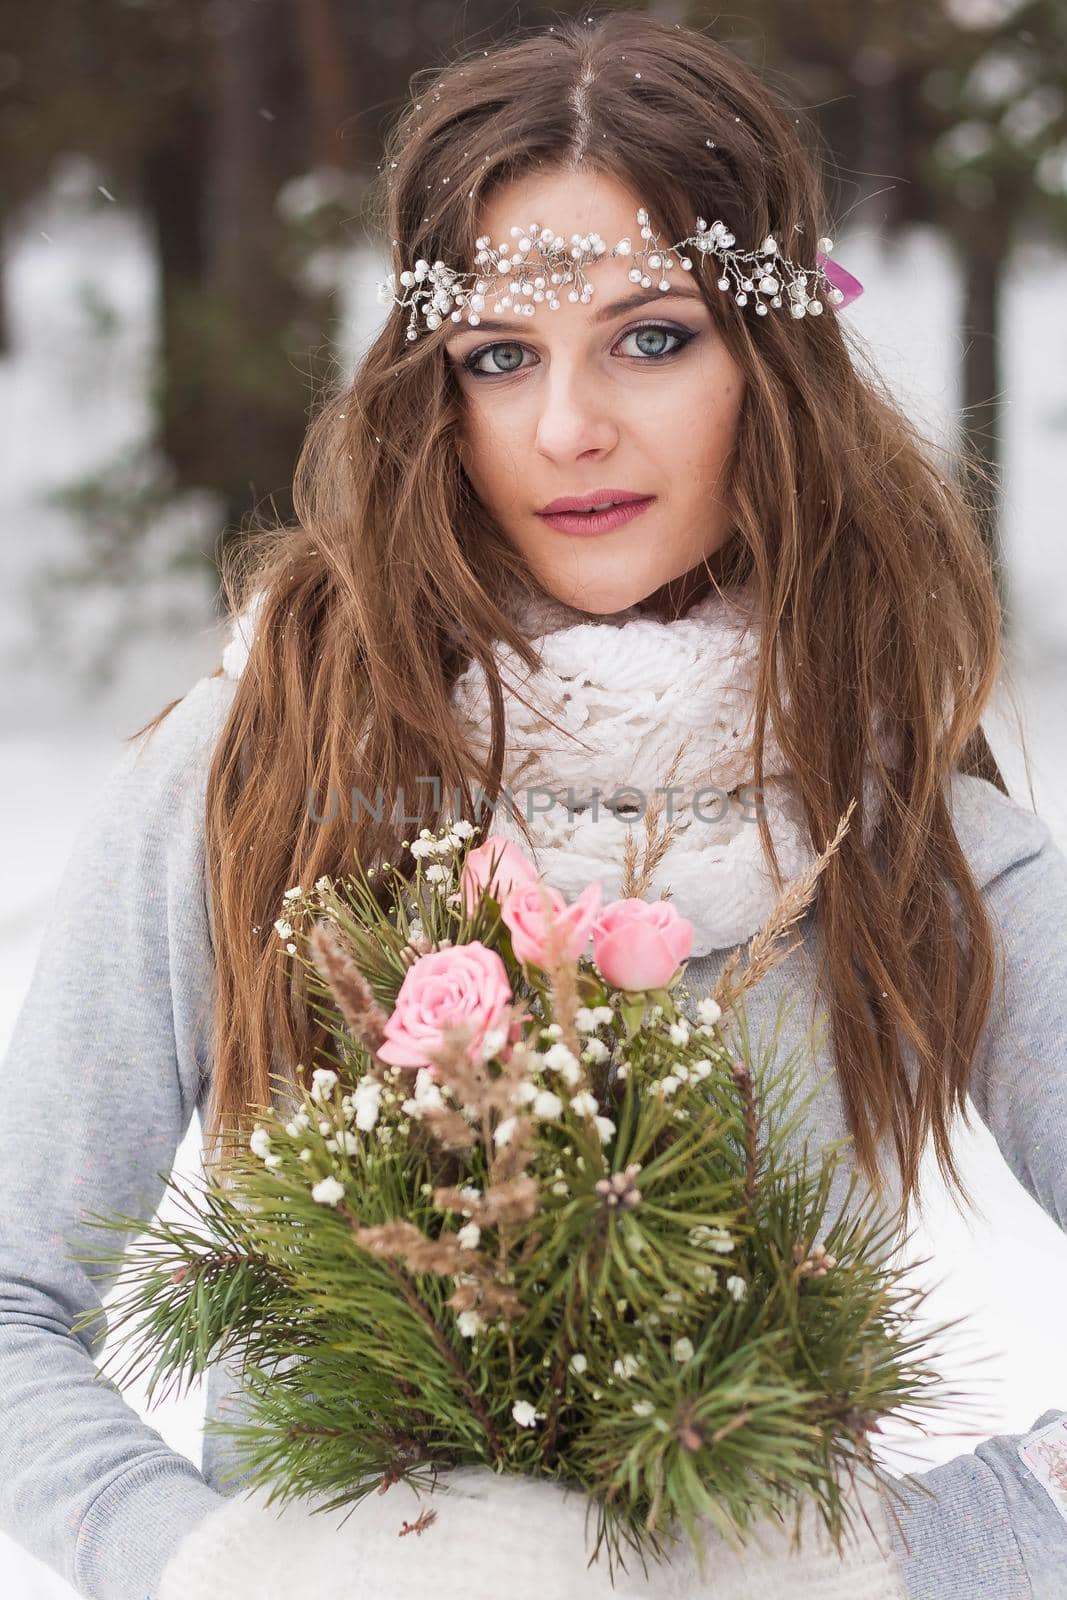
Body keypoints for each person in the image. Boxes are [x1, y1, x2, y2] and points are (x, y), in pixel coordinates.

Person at [1, 12, 1064, 1600]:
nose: (569, 426)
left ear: (771, 360)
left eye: (653, 336)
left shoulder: (901, 834)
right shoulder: (265, 771)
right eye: (502, 354)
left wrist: (895, 1554)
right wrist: (211, 1562)